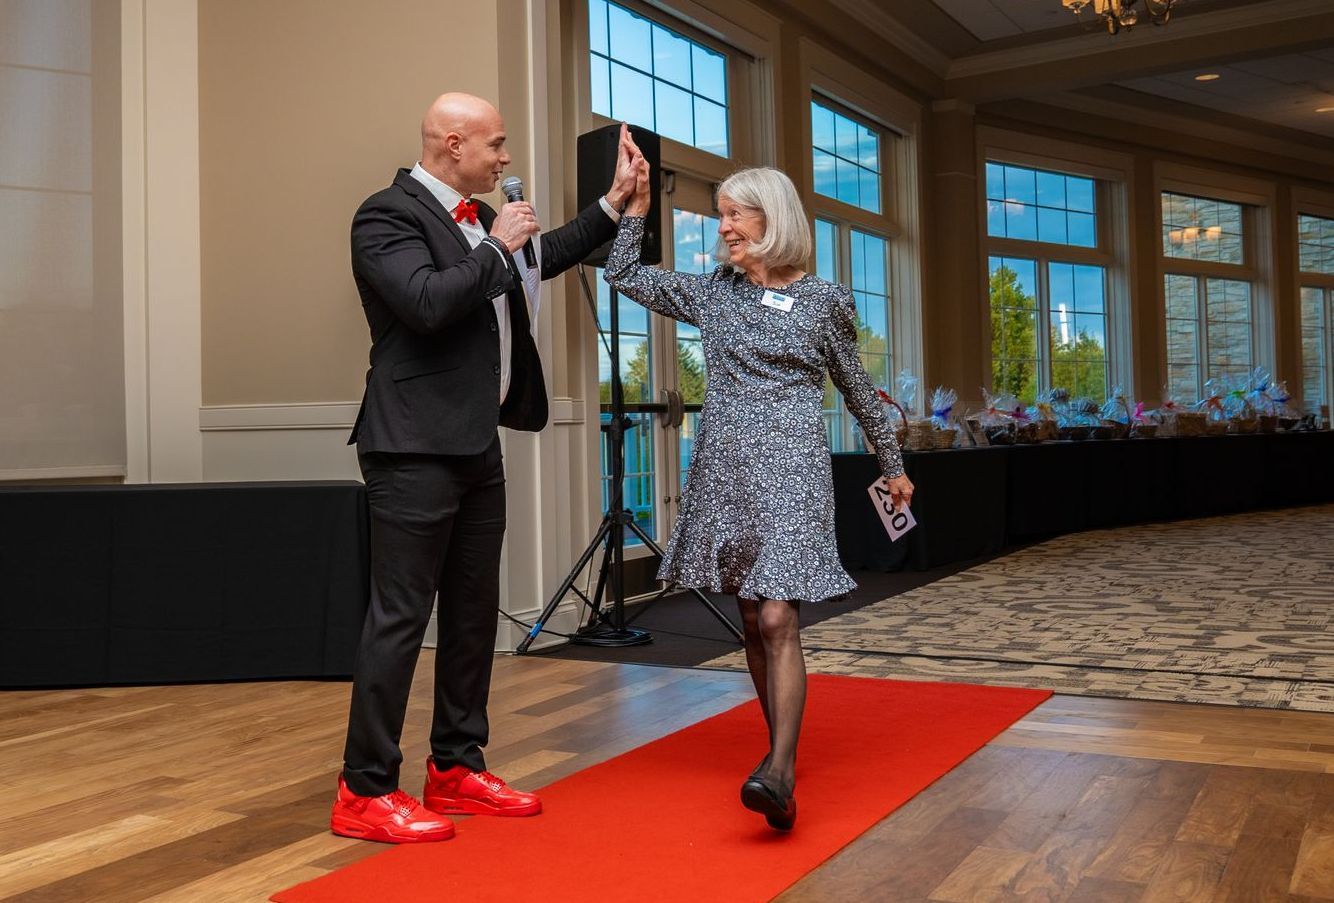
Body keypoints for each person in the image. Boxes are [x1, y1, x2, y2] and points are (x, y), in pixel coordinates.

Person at [332, 93, 640, 844]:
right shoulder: (386, 214)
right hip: (410, 447)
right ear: (451, 140)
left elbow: (553, 251)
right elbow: (427, 303)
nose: (506, 158)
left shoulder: (480, 222)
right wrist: (497, 247)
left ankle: (456, 766)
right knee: (402, 617)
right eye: (496, 145)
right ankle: (364, 788)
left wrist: (614, 201)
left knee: (473, 615)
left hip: (476, 444)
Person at [604, 159, 914, 831]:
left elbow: (858, 386)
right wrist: (633, 208)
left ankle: (777, 767)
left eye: (734, 215)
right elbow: (623, 275)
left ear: (773, 218)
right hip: (726, 472)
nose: (723, 229)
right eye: (721, 216)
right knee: (750, 619)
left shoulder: (824, 300)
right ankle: (782, 762)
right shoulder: (716, 291)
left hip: (795, 472)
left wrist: (891, 461)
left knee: (778, 618)